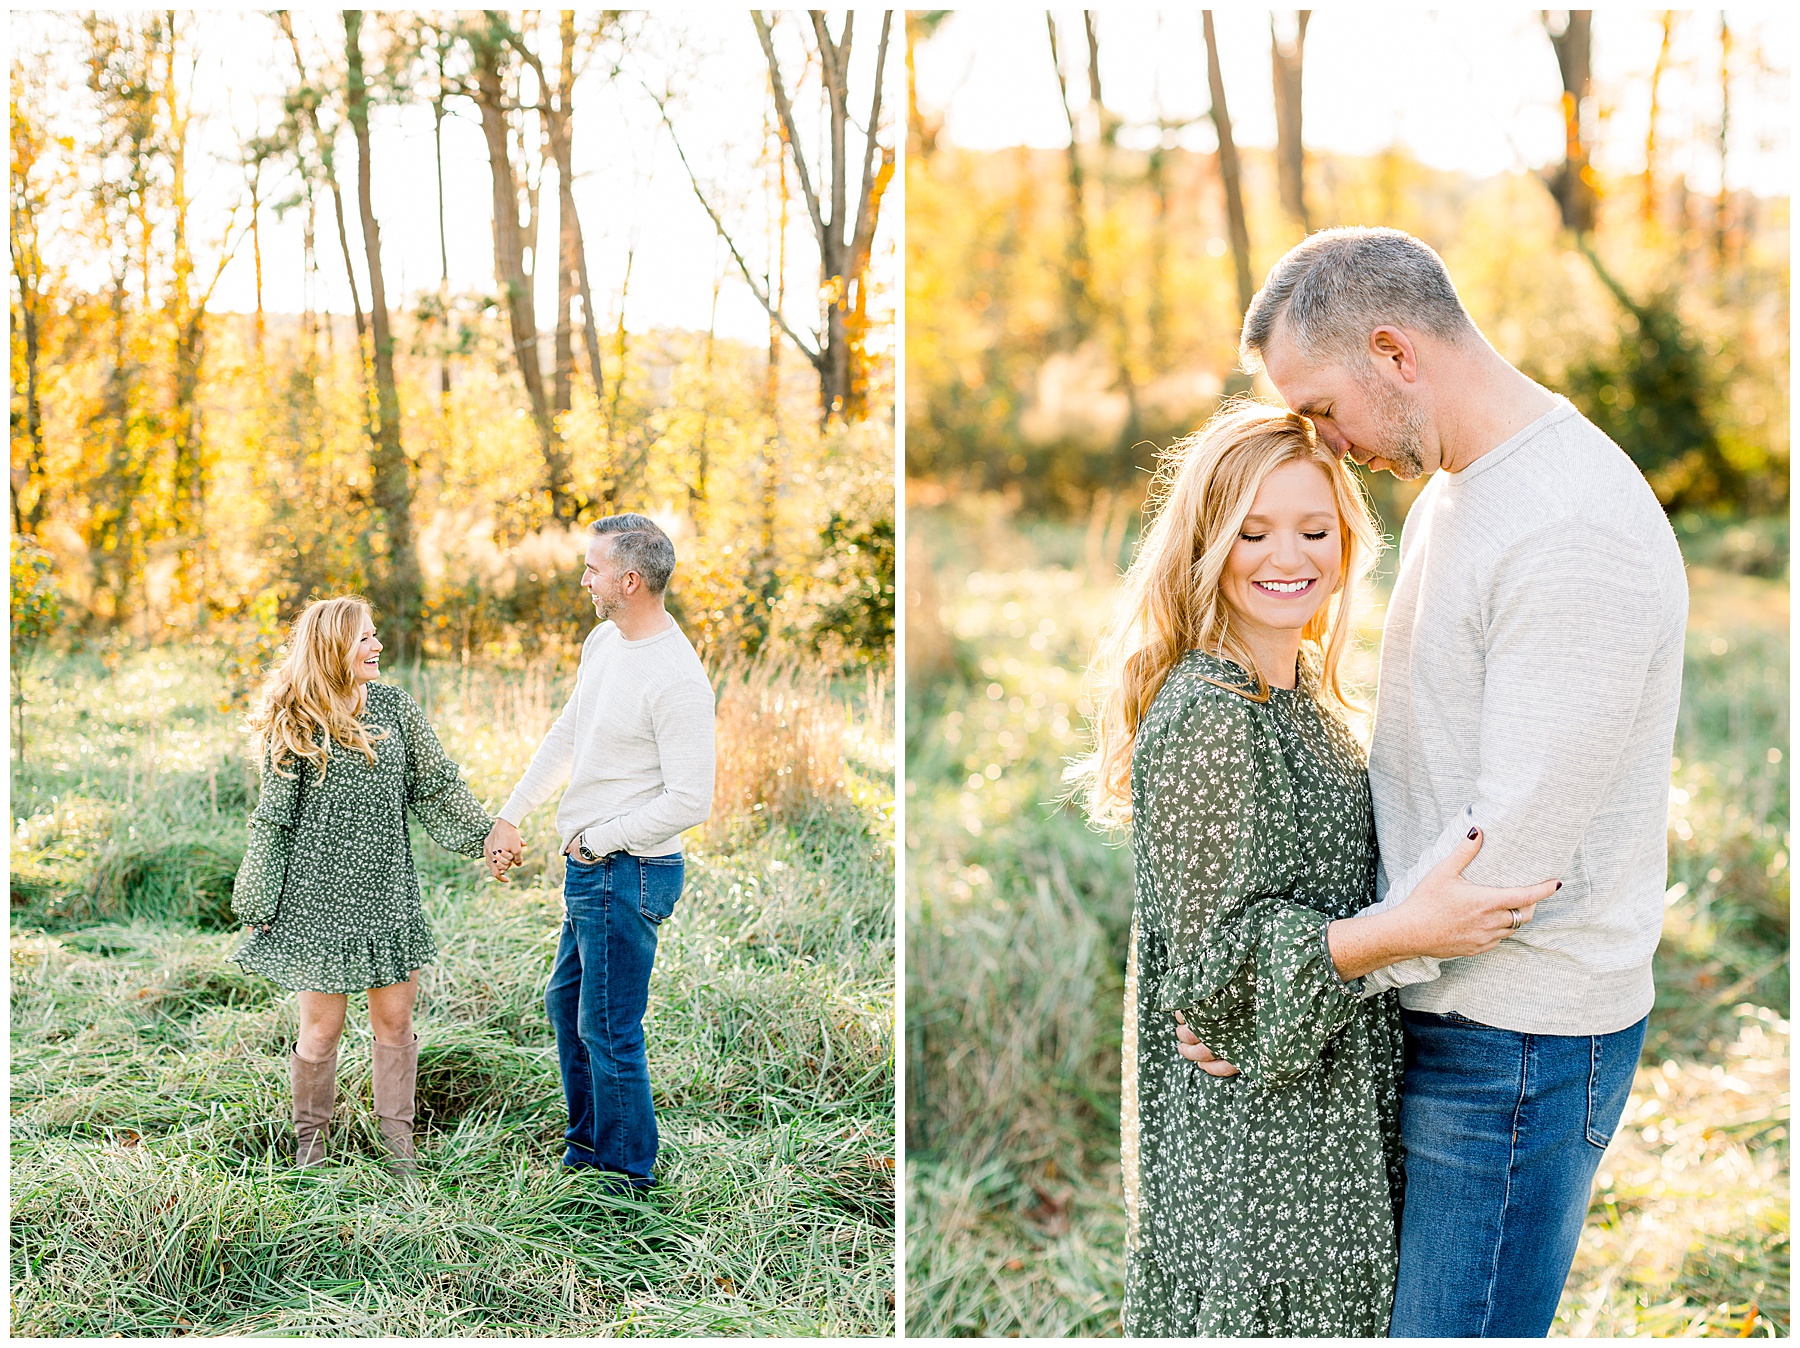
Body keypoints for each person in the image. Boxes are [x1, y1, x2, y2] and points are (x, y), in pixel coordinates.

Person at [1177, 227, 1688, 1337]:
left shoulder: (1571, 528)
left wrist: (1291, 986)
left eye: (1319, 404)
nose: (1322, 439)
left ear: (1394, 354)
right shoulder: (1468, 487)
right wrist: (1279, 984)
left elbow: (1502, 868)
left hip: (1516, 1045)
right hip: (1445, 1014)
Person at [1079, 402, 1557, 1336]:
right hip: (1261, 1168)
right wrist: (1406, 932)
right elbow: (1216, 983)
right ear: (1204, 544)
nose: (1285, 555)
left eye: (1314, 528)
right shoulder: (1214, 717)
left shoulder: (1303, 697)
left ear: (1347, 539)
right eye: (1251, 531)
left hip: (1326, 1120)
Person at [482, 513, 715, 1189]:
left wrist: (596, 839)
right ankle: (587, 1150)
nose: (584, 579)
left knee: (609, 1027)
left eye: (593, 568)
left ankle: (625, 1179)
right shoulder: (604, 644)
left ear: (630, 579)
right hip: (592, 870)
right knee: (568, 1006)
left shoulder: (676, 678)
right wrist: (511, 813)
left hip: (628, 869)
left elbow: (690, 800)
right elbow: (567, 733)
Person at [231, 595, 497, 1175]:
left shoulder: (397, 709)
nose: (376, 646)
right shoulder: (296, 721)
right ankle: (311, 1149)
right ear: (331, 647)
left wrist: (488, 837)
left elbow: (437, 789)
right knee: (321, 1030)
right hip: (316, 904)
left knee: (395, 1023)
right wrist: (258, 898)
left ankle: (398, 1148)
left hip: (387, 899)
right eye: (363, 639)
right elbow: (274, 820)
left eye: (375, 635)